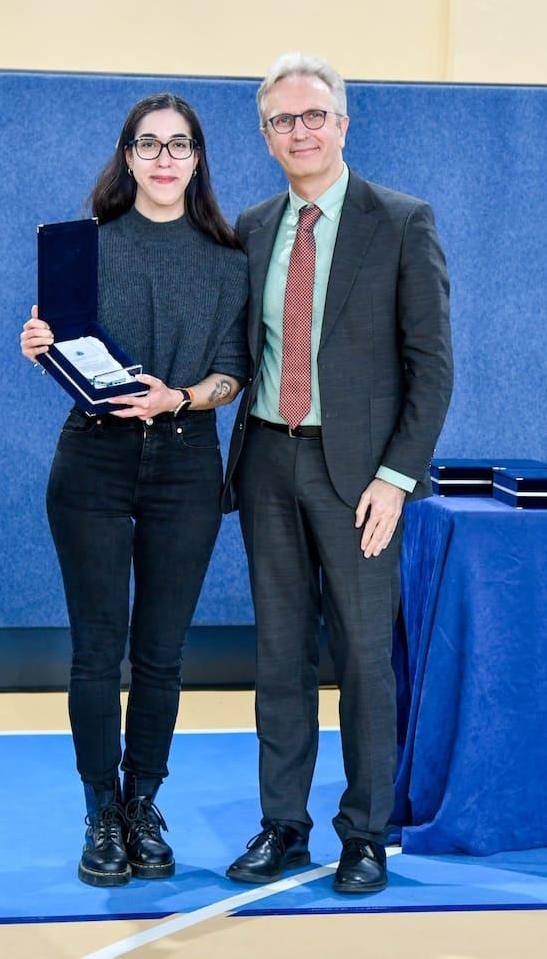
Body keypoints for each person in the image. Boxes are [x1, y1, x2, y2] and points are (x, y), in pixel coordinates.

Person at [223, 53, 453, 894]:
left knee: (362, 657)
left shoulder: (400, 221)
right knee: (279, 654)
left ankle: (364, 834)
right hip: (265, 461)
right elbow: (230, 350)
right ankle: (282, 825)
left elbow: (432, 367)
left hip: (359, 479)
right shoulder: (252, 227)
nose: (300, 131)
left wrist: (396, 477)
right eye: (283, 120)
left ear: (342, 124)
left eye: (313, 115)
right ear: (265, 136)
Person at [20, 93, 248, 887]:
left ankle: (142, 804)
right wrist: (41, 345)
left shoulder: (228, 260)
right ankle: (100, 813)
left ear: (197, 159)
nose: (163, 158)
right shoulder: (84, 247)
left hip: (186, 464)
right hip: (93, 462)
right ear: (126, 156)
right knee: (96, 652)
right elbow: (69, 353)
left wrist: (178, 397)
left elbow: (232, 373)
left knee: (160, 654)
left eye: (178, 144)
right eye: (148, 144)